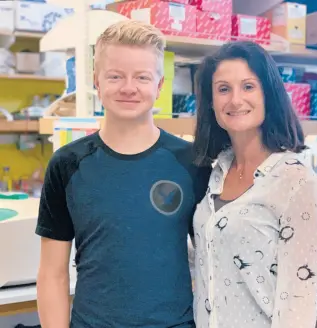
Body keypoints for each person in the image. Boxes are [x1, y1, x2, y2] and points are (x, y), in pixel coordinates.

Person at [35, 21, 210, 328]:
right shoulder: (66, 165)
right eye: (115, 76)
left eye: (142, 77)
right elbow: (53, 273)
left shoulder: (191, 163)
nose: (128, 87)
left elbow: (212, 262)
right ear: (96, 82)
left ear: (159, 86)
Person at [191, 41, 317, 328]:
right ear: (211, 102)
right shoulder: (216, 174)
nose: (235, 100)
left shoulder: (296, 182)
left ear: (269, 94)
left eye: (248, 86)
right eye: (223, 89)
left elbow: (299, 299)